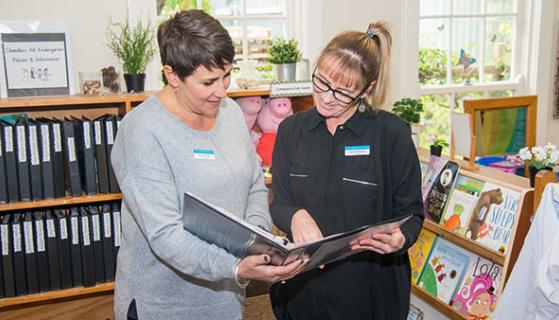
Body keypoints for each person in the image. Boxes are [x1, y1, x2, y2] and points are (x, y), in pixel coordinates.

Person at [111, 10, 304, 320]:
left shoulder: (227, 113)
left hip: (225, 300)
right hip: (163, 306)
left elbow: (254, 181)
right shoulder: (141, 132)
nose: (223, 90)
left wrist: (256, 238)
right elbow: (166, 236)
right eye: (209, 81)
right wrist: (236, 266)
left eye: (227, 74)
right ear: (172, 75)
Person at [269, 22, 424, 319]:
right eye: (321, 82)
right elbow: (279, 203)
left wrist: (401, 238)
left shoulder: (392, 135)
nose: (326, 97)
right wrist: (295, 215)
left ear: (367, 89)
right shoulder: (291, 131)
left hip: (367, 294)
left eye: (342, 92)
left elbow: (412, 214)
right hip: (303, 291)